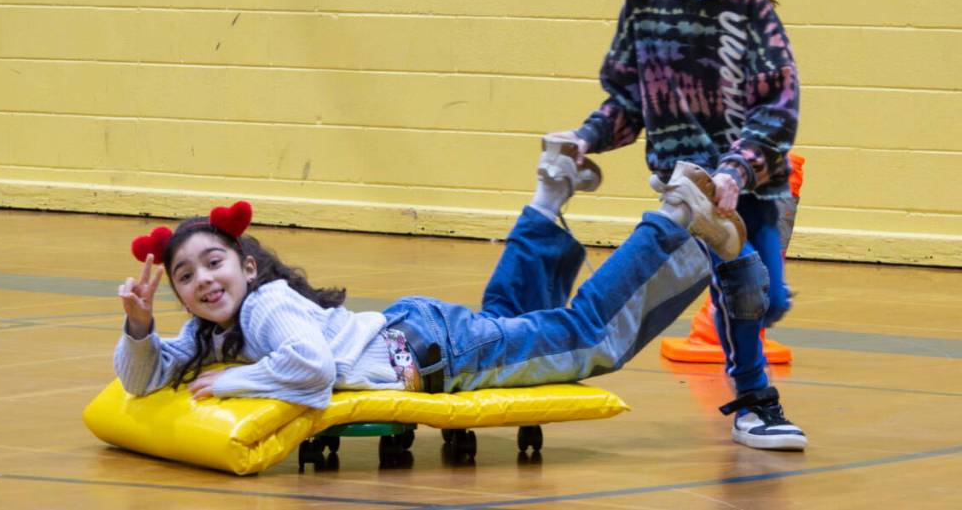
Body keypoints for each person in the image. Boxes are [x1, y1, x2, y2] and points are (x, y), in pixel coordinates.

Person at [114, 151, 743, 421]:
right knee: (509, 318)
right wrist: (139, 327)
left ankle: (675, 217)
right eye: (185, 276)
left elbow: (308, 368)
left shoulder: (269, 305)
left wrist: (235, 380)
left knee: (582, 337)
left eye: (214, 263)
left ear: (248, 266)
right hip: (423, 337)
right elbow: (143, 378)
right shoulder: (210, 331)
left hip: (428, 351)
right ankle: (551, 188)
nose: (202, 280)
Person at [545, 0, 806, 451]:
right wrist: (587, 136)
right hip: (688, 189)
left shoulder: (749, 8)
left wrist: (737, 169)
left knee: (769, 298)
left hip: (753, 186)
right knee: (742, 289)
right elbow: (630, 100)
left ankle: (742, 307)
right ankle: (755, 401)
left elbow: (779, 108)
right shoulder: (643, 6)